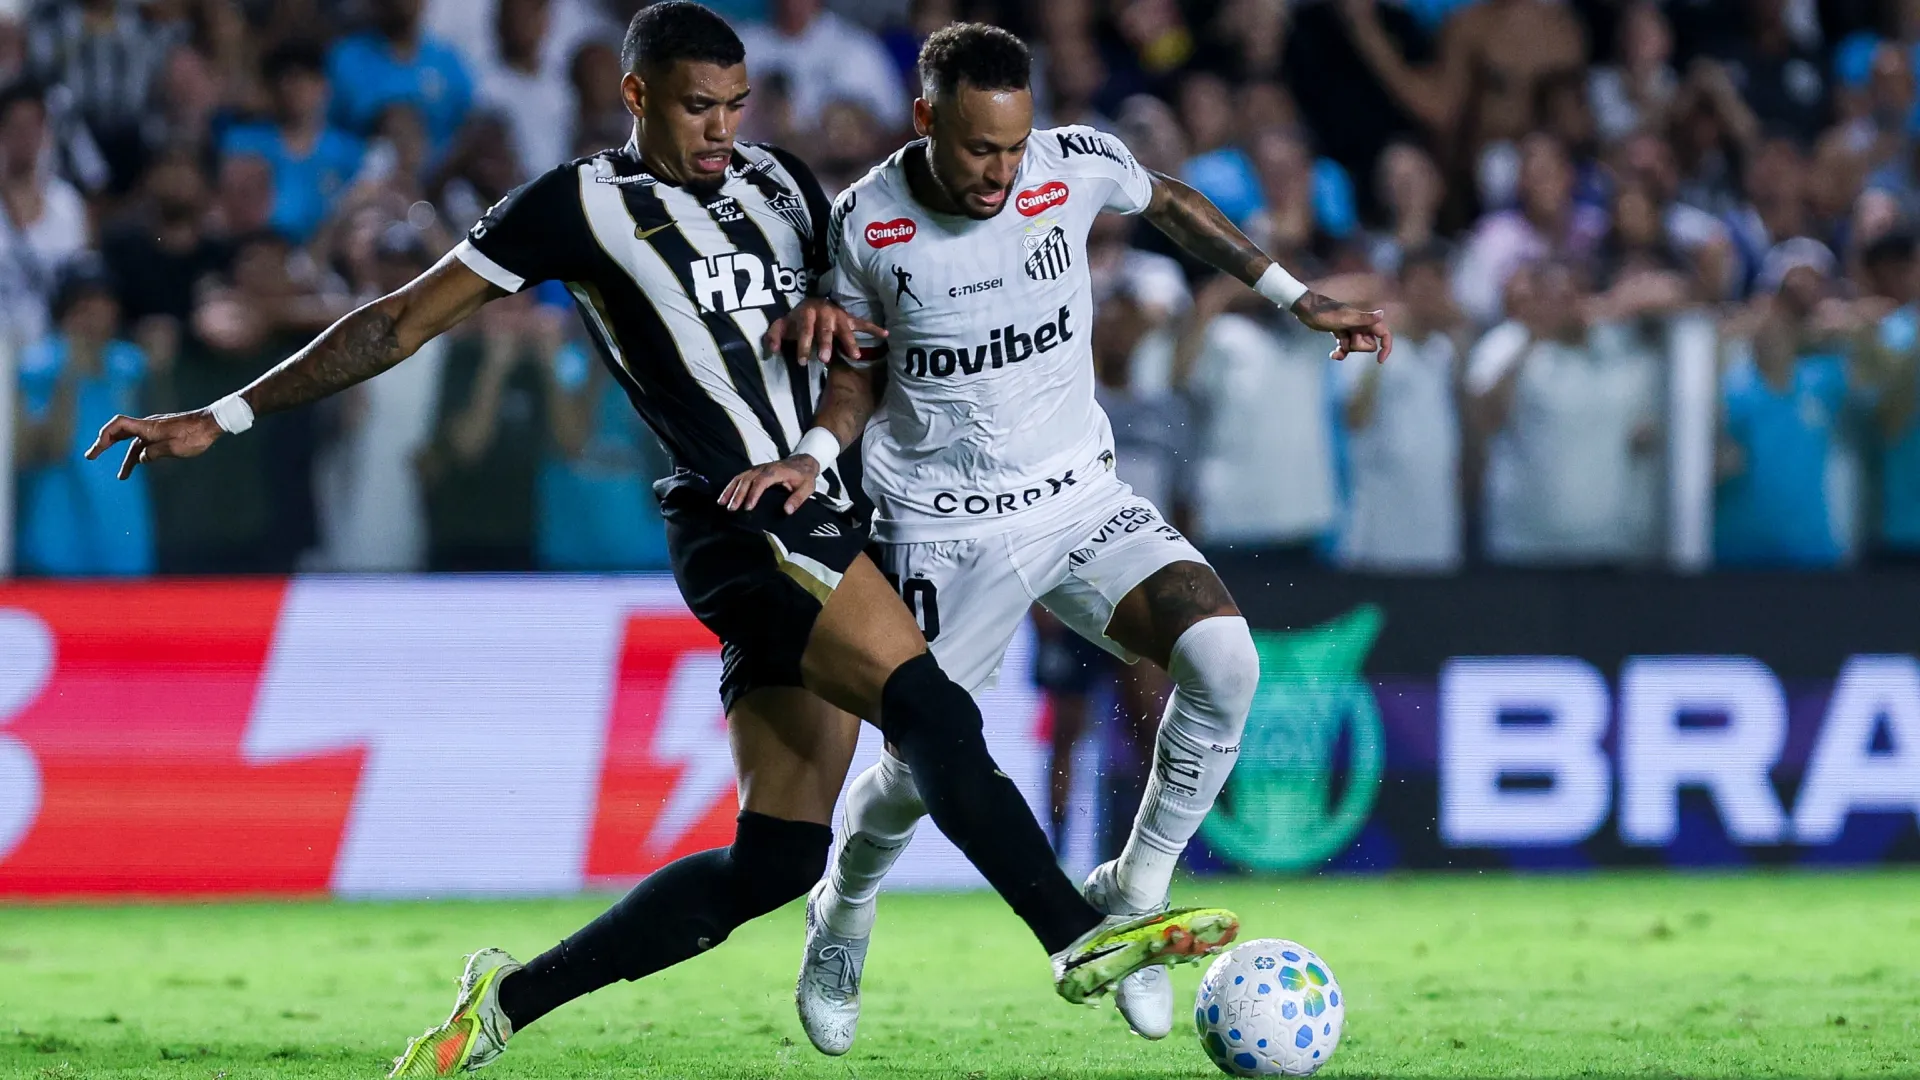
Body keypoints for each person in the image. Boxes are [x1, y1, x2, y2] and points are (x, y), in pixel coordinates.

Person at [86, 7, 1237, 1076]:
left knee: (778, 857)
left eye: (735, 105)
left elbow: (859, 340)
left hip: (834, 505)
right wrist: (220, 416)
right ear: (636, 94)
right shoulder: (571, 206)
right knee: (933, 710)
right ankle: (1079, 937)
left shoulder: (783, 182)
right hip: (746, 518)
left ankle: (503, 1005)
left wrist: (851, 358)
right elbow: (397, 319)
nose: (721, 130)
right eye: (697, 107)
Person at [716, 23, 1385, 1054]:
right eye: (979, 148)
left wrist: (1293, 297)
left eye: (1013, 146)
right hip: (939, 529)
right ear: (926, 118)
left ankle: (1134, 891)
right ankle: (844, 903)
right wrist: (812, 452)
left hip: (1079, 498)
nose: (1000, 170)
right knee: (924, 763)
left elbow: (1167, 201)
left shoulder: (1068, 165)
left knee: (1225, 661)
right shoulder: (866, 224)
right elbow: (853, 369)